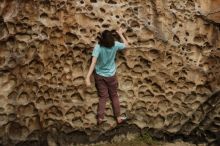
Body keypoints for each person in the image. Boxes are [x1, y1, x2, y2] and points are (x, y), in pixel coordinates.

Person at [85, 28, 129, 125]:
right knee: (114, 95)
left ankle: (100, 118)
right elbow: (126, 44)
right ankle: (118, 118)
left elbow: (93, 62)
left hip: (99, 75)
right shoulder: (115, 44)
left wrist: (88, 77)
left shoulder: (98, 47)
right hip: (111, 76)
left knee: (103, 96)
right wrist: (120, 34)